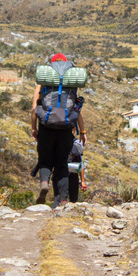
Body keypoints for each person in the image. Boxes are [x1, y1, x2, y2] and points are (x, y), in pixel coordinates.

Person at [31, 53, 87, 207]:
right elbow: (77, 109)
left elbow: (34, 108)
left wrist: (34, 129)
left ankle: (44, 183)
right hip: (66, 128)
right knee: (62, 164)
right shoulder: (70, 80)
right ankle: (61, 201)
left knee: (45, 160)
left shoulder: (45, 80)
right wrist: (82, 132)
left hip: (46, 127)